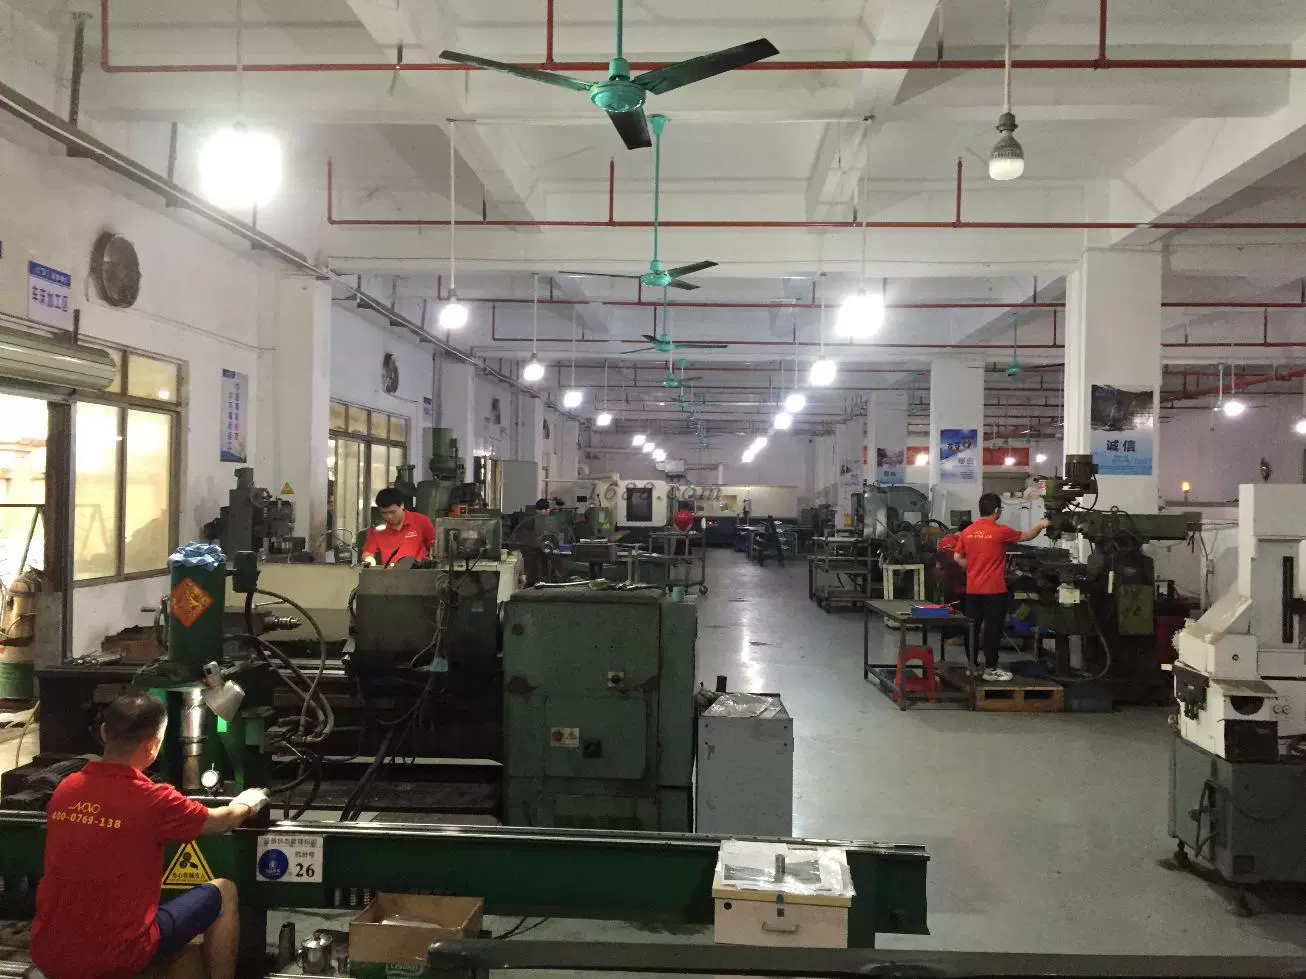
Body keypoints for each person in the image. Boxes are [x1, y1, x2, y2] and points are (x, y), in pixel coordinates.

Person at [31, 691, 268, 979]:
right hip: (116, 958)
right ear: (154, 745)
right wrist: (247, 803)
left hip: (48, 953)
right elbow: (221, 822)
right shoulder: (154, 801)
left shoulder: (66, 788)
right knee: (224, 891)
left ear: (104, 732)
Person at [952, 494, 1050, 680]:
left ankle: (972, 667)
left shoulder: (967, 532)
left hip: (973, 590)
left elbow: (957, 557)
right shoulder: (1000, 531)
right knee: (992, 629)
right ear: (996, 511)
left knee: (972, 628)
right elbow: (1027, 536)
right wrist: (1042, 524)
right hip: (994, 590)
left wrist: (974, 568)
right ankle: (991, 669)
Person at [361, 487, 437, 566]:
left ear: (402, 505)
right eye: (384, 513)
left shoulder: (421, 521)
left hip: (417, 570)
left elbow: (434, 545)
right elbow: (367, 553)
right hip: (390, 572)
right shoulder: (376, 530)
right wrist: (368, 559)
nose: (389, 516)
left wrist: (431, 556)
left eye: (392, 512)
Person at [516, 498, 557, 586]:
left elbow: (555, 535)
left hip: (545, 552)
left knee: (544, 573)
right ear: (537, 510)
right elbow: (517, 533)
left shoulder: (551, 522)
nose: (543, 512)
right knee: (532, 575)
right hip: (531, 552)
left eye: (546, 509)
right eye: (541, 509)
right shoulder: (529, 521)